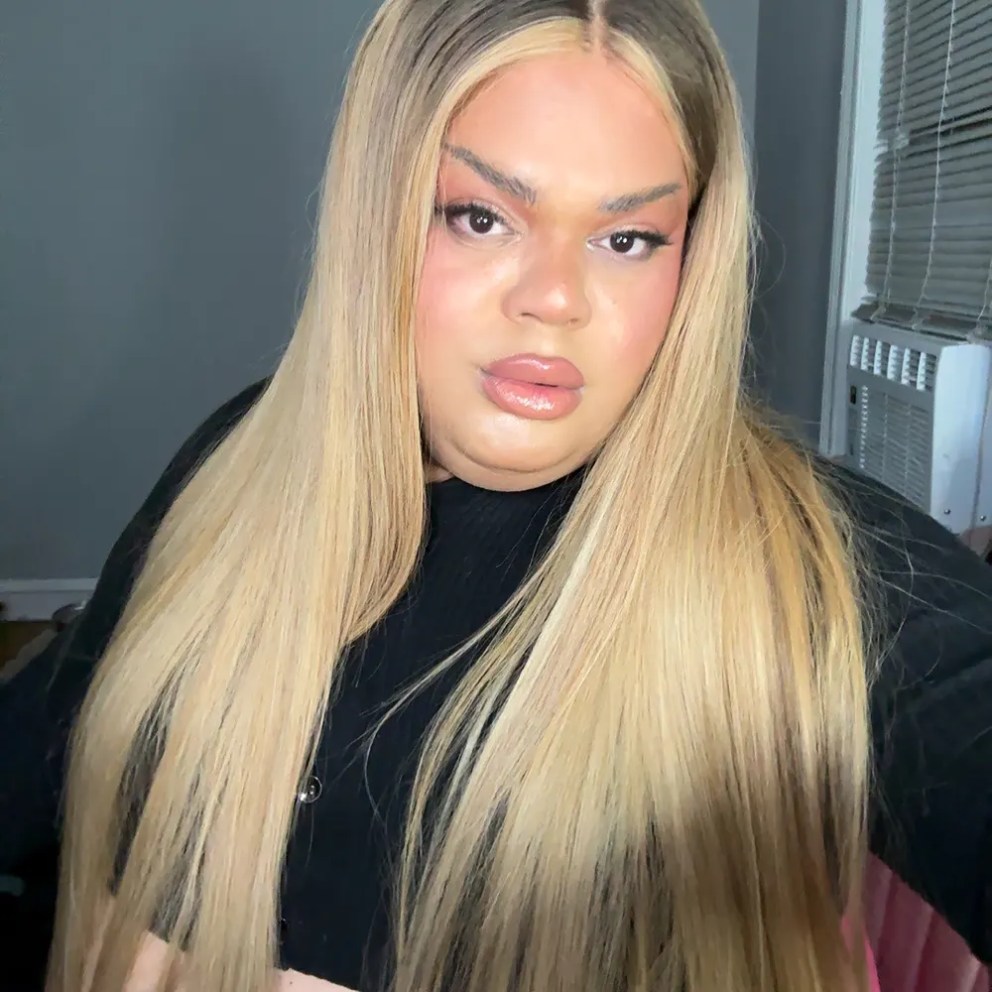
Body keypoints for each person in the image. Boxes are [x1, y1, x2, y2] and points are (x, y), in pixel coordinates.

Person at [1, 1, 990, 990]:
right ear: (378, 211)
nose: (553, 297)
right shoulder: (241, 457)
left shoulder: (811, 567)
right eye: (480, 217)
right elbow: (48, 744)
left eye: (627, 238)